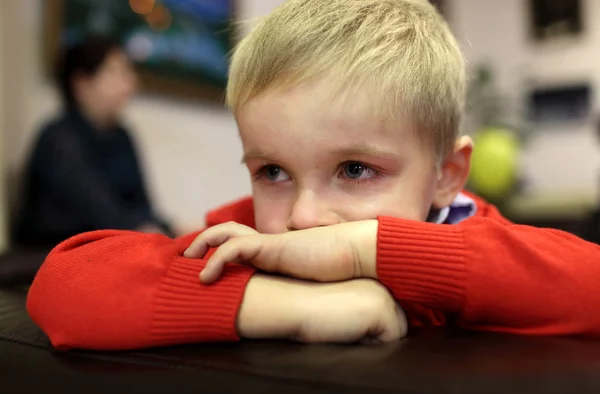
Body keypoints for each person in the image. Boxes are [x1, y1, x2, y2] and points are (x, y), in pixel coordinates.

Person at [27, 0, 600, 351]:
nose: (302, 218)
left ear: (447, 176)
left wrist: (365, 250)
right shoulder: (256, 234)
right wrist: (295, 308)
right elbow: (62, 285)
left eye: (355, 169)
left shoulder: (476, 243)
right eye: (272, 170)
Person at [15, 36, 173, 247]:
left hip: (111, 244)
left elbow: (142, 206)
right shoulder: (59, 138)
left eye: (128, 72)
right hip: (58, 252)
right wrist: (155, 232)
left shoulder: (123, 135)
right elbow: (97, 211)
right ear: (81, 84)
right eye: (115, 72)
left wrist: (168, 228)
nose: (130, 83)